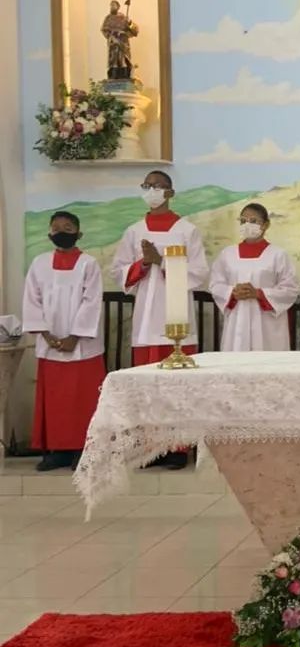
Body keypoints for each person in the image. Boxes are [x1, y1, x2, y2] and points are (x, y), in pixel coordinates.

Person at [110, 170, 208, 468]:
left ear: (170, 192)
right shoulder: (134, 231)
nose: (152, 190)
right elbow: (118, 270)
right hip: (146, 317)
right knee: (147, 384)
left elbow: (199, 272)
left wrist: (161, 261)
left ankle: (177, 448)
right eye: (147, 186)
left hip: (176, 317)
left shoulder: (187, 230)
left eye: (158, 186)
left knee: (177, 385)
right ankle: (149, 447)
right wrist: (143, 263)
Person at [21, 211, 106, 472]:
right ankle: (58, 450)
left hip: (82, 346)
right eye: (56, 228)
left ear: (79, 234)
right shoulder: (39, 263)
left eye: (68, 228)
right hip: (50, 344)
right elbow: (32, 300)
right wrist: (46, 335)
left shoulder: (88, 264)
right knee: (55, 400)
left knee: (83, 399)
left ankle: (84, 450)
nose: (61, 232)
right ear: (49, 233)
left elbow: (92, 302)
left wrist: (74, 337)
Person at [210, 203, 300, 352]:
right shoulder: (227, 254)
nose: (247, 225)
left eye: (253, 221)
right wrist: (232, 292)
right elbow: (216, 284)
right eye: (243, 221)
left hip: (267, 324)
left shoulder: (278, 254)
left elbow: (290, 288)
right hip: (237, 320)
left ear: (266, 225)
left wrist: (259, 293)